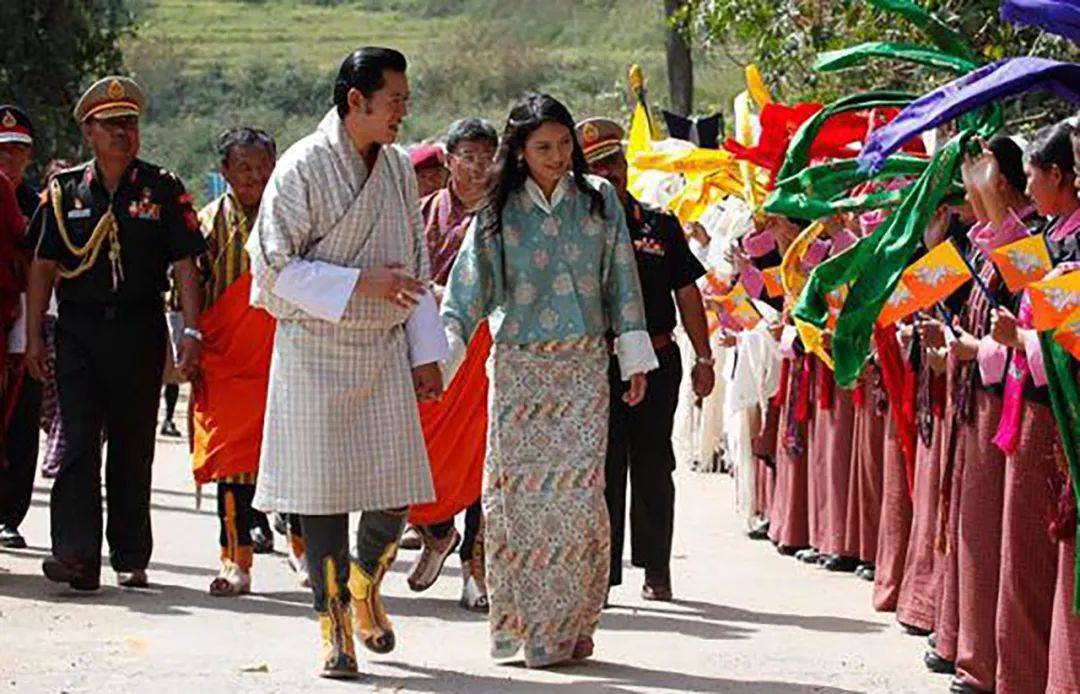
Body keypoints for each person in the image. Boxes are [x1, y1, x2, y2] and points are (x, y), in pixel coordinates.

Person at [245, 47, 447, 679]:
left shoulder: (393, 169)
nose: (403, 113)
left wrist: (427, 350)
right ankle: (334, 627)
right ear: (355, 101)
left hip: (383, 349)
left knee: (397, 496)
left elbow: (412, 266)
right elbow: (273, 268)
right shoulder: (301, 167)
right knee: (321, 501)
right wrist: (361, 282)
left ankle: (364, 585)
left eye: (406, 101)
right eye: (395, 101)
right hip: (314, 351)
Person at [441, 93, 657, 667]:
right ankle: (526, 630)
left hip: (584, 369)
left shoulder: (599, 200)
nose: (558, 156)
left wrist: (632, 357)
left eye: (564, 145)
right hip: (519, 370)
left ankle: (576, 624)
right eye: (543, 147)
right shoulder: (499, 205)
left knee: (580, 504)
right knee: (519, 504)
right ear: (519, 151)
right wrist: (444, 351)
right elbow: (468, 286)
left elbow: (622, 280)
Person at [24, 76, 206, 591]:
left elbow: (186, 262)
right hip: (79, 331)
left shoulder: (163, 188)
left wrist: (190, 329)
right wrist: (36, 335)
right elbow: (42, 265)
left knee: (131, 444)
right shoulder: (63, 192)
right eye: (113, 125)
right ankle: (77, 555)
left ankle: (129, 553)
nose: (125, 132)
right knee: (78, 442)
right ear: (89, 132)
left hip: (138, 328)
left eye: (131, 123)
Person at [574, 117, 714, 601]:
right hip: (598, 364)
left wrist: (705, 356)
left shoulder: (660, 224)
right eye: (596, 166)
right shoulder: (576, 228)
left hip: (656, 360)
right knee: (604, 468)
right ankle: (603, 575)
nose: (608, 173)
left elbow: (687, 292)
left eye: (614, 162)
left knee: (654, 465)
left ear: (626, 165)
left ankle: (656, 568)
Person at [986, 121, 1078, 694]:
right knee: (1025, 556)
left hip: (1060, 414)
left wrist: (1022, 342)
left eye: (1029, 177)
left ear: (1059, 176)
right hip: (1031, 402)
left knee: (1049, 559)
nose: (1024, 186)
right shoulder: (1050, 241)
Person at [406, 117, 499, 612]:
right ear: (448, 160)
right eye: (469, 158)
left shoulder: (506, 218)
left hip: (486, 353)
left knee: (482, 459)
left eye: (488, 159)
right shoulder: (419, 214)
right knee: (415, 457)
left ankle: (475, 569)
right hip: (427, 351)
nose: (478, 169)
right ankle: (435, 531)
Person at [189, 126, 277, 596]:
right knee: (231, 462)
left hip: (281, 358)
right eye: (243, 168)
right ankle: (234, 559)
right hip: (226, 361)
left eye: (263, 167)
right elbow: (186, 291)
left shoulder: (290, 219)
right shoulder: (205, 225)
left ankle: (303, 551)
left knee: (291, 458)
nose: (254, 177)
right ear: (224, 171)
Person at [0, 105, 41, 549]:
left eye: (18, 151)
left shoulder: (41, 205)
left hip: (25, 328)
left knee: (22, 419)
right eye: (3, 151)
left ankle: (10, 514)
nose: (9, 160)